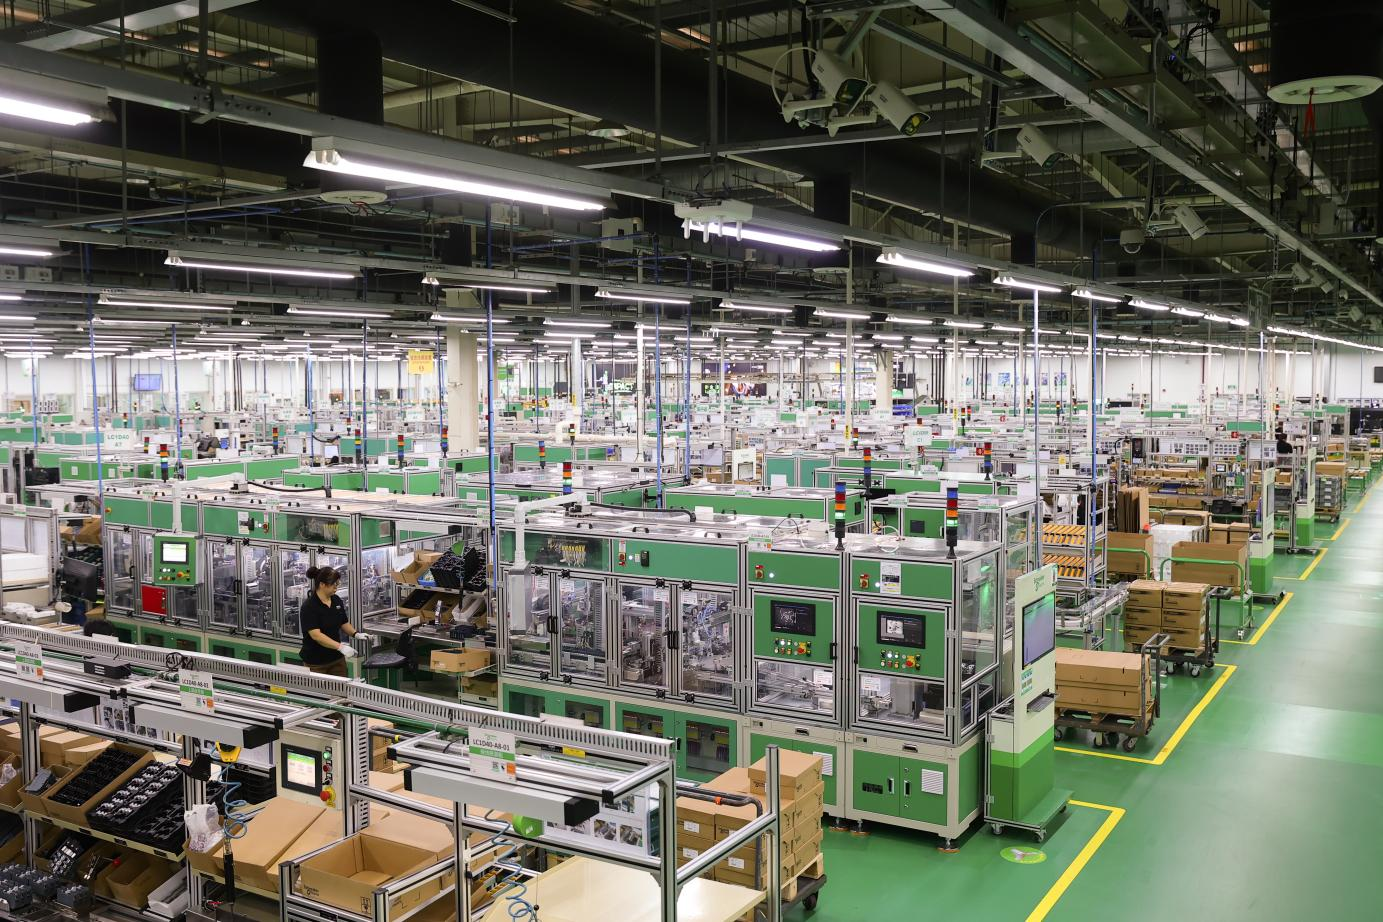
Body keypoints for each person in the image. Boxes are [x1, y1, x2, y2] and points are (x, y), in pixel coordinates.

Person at [298, 565, 371, 675]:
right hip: (316, 662)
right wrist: (340, 647)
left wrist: (356, 634)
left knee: (341, 685)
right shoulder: (309, 606)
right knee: (319, 687)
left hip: (336, 658)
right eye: (333, 584)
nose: (336, 588)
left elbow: (343, 622)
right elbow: (316, 635)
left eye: (337, 584)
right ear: (322, 584)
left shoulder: (336, 600)